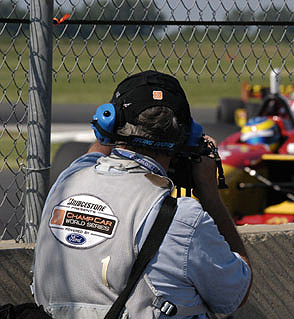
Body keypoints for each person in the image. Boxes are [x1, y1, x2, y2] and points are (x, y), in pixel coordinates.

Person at [32, 70, 252, 318]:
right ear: (186, 135)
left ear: (110, 121)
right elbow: (235, 293)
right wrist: (210, 194)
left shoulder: (68, 181)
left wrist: (110, 130)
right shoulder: (184, 217)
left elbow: (96, 151)